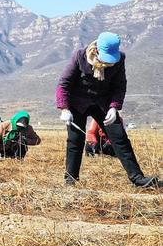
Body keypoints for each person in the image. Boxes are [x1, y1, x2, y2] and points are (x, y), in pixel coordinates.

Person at [57, 32, 159, 187]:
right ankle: (70, 180)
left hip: (103, 103)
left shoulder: (120, 59)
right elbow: (64, 84)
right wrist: (64, 108)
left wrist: (114, 107)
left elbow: (120, 86)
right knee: (75, 140)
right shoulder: (79, 56)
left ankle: (137, 178)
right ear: (97, 49)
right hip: (78, 103)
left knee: (120, 137)